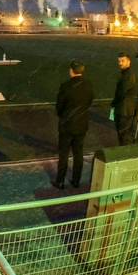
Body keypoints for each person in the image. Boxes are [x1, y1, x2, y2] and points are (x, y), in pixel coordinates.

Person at [55, 60, 95, 189]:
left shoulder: (65, 86)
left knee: (64, 154)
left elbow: (59, 106)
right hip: (81, 124)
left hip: (67, 125)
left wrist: (63, 115)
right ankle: (76, 180)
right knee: (78, 153)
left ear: (71, 70)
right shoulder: (88, 85)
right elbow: (89, 102)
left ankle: (60, 181)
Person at [111, 52, 138, 145]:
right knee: (122, 134)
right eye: (119, 61)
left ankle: (124, 152)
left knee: (122, 134)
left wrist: (113, 103)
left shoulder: (128, 75)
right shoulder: (127, 74)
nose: (120, 63)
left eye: (122, 61)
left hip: (123, 109)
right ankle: (124, 151)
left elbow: (121, 93)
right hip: (125, 108)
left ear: (128, 62)